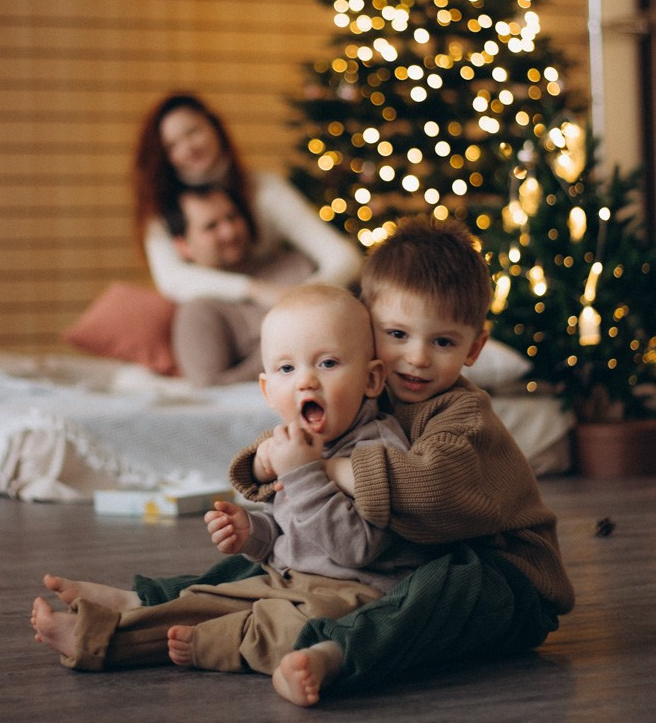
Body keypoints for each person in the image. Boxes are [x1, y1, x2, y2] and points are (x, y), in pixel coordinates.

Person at [34, 218, 575, 706]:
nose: (416, 357)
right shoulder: (369, 393)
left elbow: (430, 489)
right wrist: (267, 467)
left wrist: (326, 471)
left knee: (443, 591)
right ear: (369, 341)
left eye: (443, 341)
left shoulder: (464, 416)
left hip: (503, 573)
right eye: (396, 335)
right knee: (274, 555)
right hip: (406, 556)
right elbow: (294, 445)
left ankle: (335, 656)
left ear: (474, 348)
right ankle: (143, 601)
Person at [31, 285, 432, 702]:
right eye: (286, 369)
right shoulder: (296, 446)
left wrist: (304, 474)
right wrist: (252, 533)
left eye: (328, 363)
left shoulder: (377, 450)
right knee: (206, 600)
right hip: (287, 581)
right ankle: (100, 623)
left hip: (354, 595)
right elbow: (287, 536)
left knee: (291, 629)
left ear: (371, 379)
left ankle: (122, 644)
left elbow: (354, 549)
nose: (306, 381)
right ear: (267, 391)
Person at [133, 92, 362, 309]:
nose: (189, 148)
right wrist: (254, 289)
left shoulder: (265, 190)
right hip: (215, 313)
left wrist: (303, 298)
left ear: (214, 127)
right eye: (172, 145)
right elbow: (172, 281)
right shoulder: (160, 213)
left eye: (193, 131)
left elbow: (343, 256)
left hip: (280, 306)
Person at [164, 183, 313, 386]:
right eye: (211, 226)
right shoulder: (199, 309)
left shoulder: (298, 263)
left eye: (232, 217)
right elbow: (210, 387)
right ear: (184, 246)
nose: (229, 232)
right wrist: (288, 349)